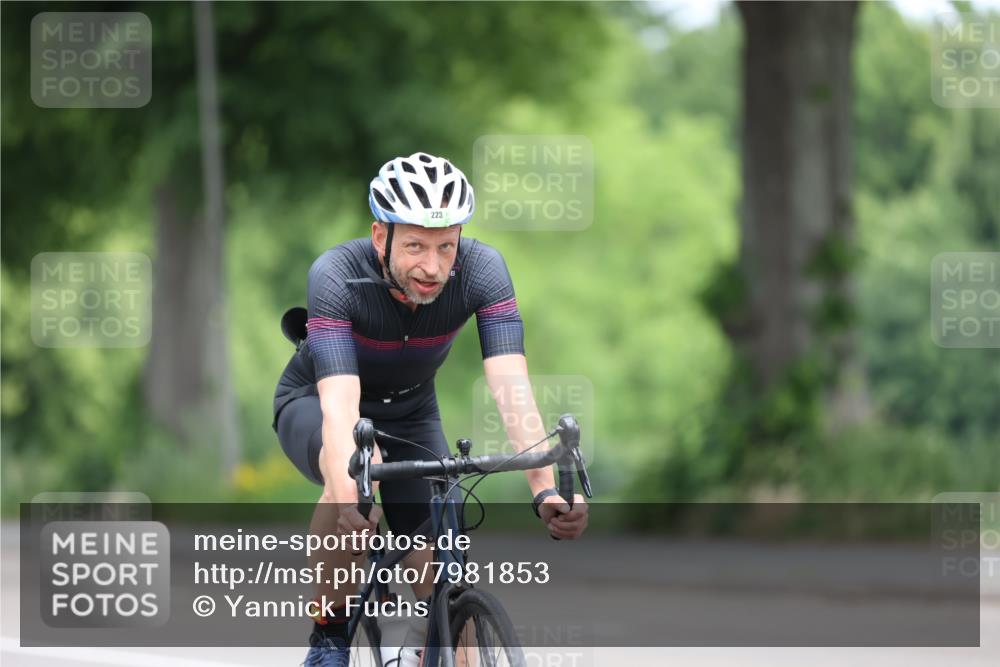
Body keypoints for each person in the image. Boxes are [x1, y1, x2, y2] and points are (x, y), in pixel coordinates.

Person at [273, 151, 588, 666]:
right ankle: (328, 638)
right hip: (317, 402)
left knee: (445, 584)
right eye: (416, 245)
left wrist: (545, 488)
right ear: (381, 238)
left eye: (446, 246)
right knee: (350, 477)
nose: (433, 267)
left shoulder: (484, 271)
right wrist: (353, 495)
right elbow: (340, 407)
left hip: (412, 414)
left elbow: (511, 385)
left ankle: (434, 642)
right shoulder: (334, 276)